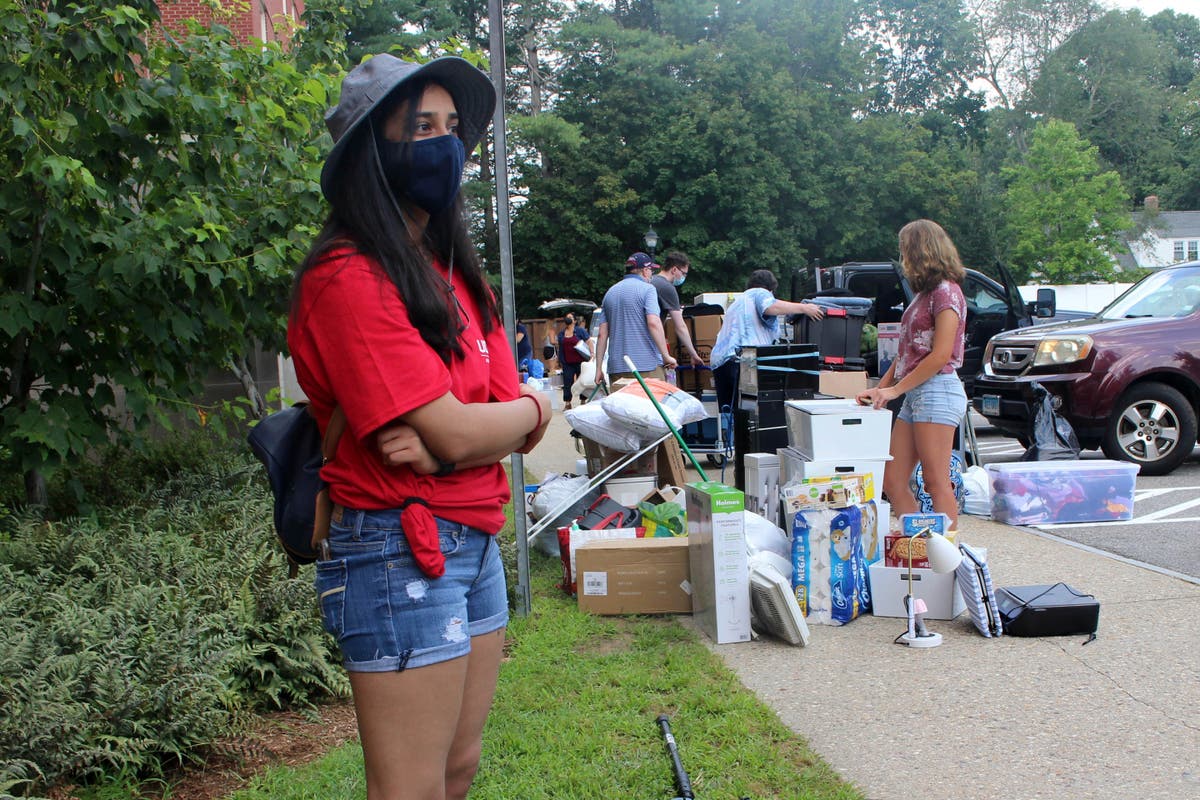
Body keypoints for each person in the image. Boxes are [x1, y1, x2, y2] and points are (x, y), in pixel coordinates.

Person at [286, 54, 552, 800]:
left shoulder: (458, 274)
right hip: (395, 548)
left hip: (473, 537)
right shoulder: (347, 278)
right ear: (373, 154)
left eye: (453, 128)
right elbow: (468, 432)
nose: (445, 146)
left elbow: (497, 414)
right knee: (410, 788)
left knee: (457, 770)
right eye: (421, 128)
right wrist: (488, 428)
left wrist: (532, 412)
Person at [855, 219, 968, 531]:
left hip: (938, 390)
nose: (902, 258)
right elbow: (907, 354)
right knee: (893, 480)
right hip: (917, 393)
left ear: (919, 251)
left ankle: (947, 557)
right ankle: (918, 545)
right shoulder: (924, 295)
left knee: (935, 480)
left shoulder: (947, 293)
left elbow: (941, 355)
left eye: (905, 250)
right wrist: (881, 388)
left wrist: (893, 391)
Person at [708, 269, 824, 414]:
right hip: (741, 360)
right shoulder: (760, 293)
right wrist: (804, 308)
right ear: (770, 289)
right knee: (748, 415)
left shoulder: (739, 301)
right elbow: (770, 306)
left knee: (728, 414)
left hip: (721, 362)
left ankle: (729, 437)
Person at [594, 252, 678, 385]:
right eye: (651, 270)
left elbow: (602, 334)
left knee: (624, 406)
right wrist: (666, 356)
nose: (652, 274)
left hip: (617, 368)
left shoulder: (610, 293)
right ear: (645, 270)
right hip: (647, 366)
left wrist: (598, 368)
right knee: (650, 405)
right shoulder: (648, 289)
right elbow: (654, 323)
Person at [650, 251, 704, 368]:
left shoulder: (651, 280)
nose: (683, 277)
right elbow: (680, 327)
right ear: (674, 269)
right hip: (651, 347)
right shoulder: (667, 287)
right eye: (684, 273)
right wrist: (694, 354)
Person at [556, 312, 590, 408]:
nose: (568, 319)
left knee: (582, 381)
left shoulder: (580, 331)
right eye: (567, 317)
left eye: (570, 317)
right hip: (567, 362)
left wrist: (592, 354)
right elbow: (560, 347)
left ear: (574, 321)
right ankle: (567, 402)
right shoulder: (562, 333)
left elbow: (589, 341)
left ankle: (583, 400)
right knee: (567, 382)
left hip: (580, 361)